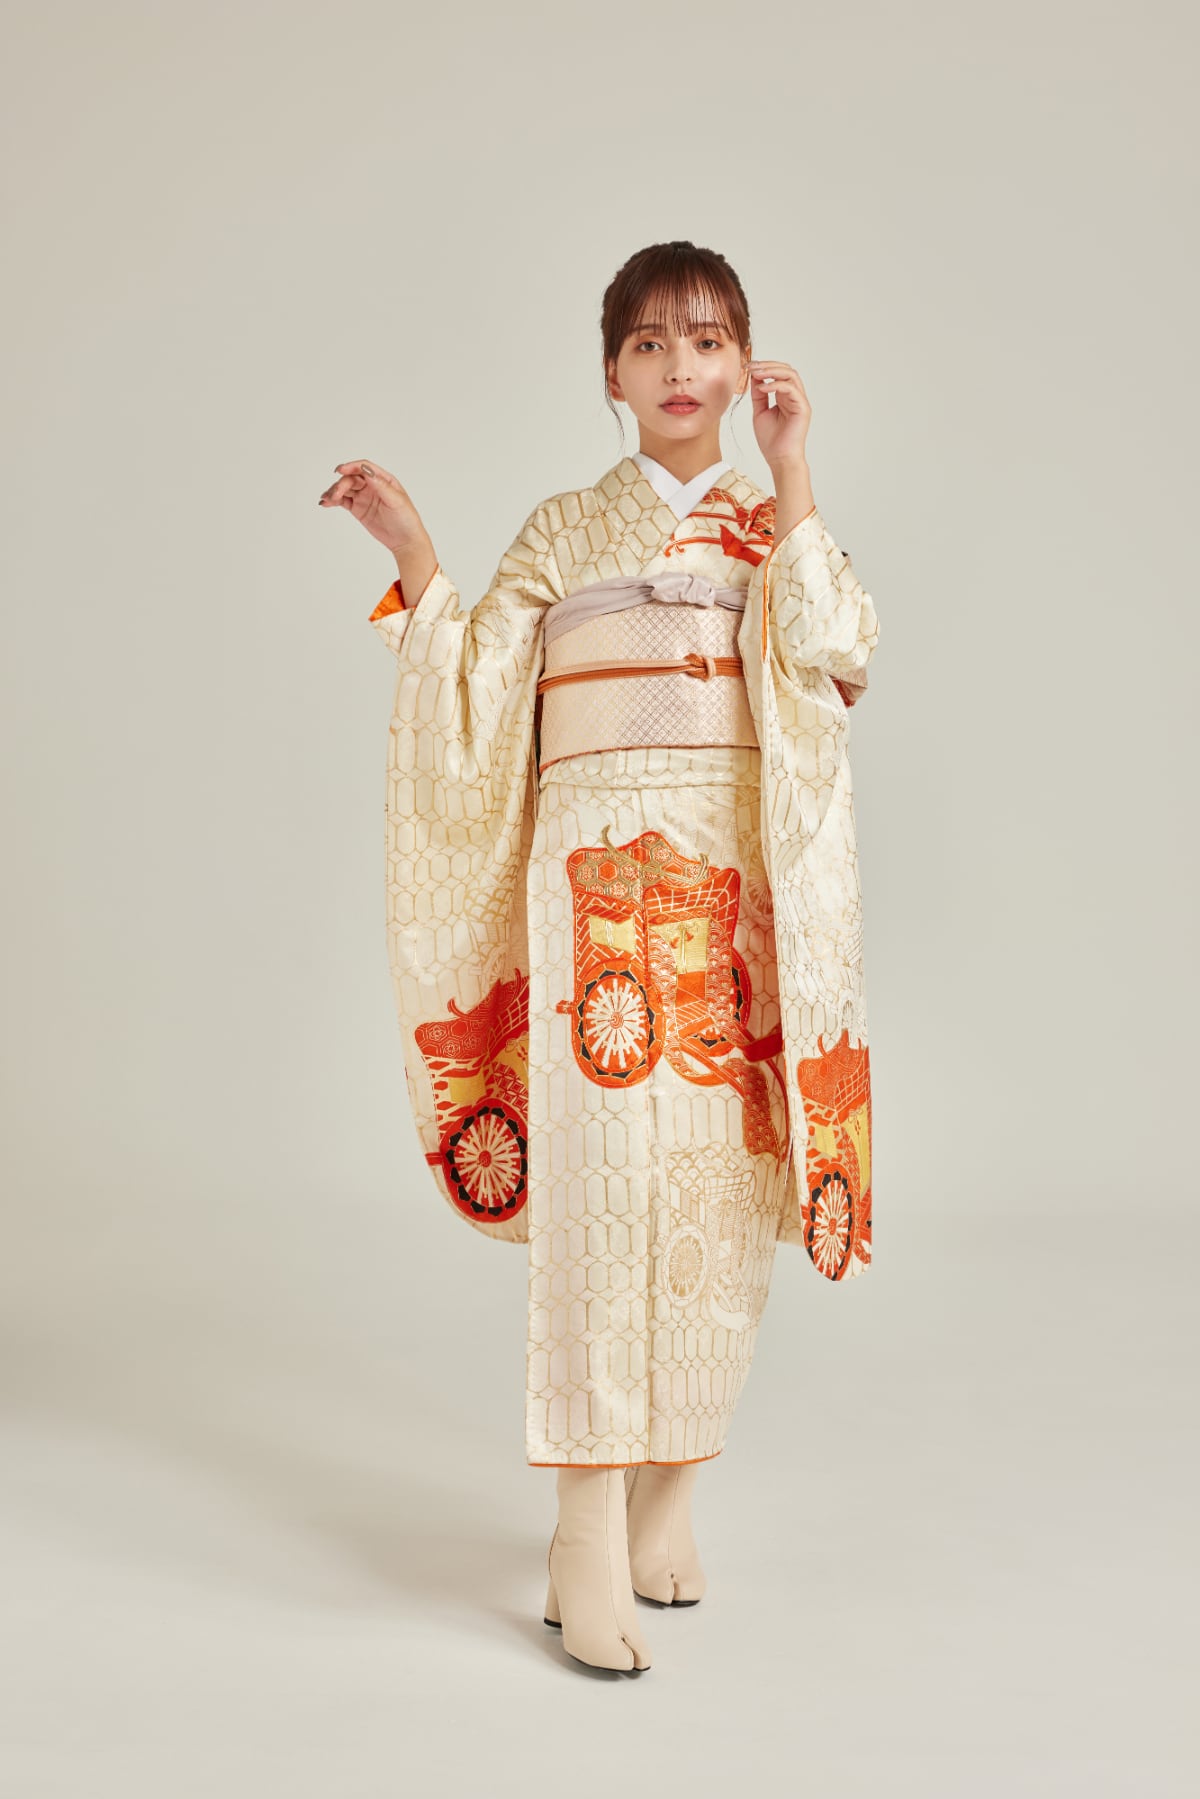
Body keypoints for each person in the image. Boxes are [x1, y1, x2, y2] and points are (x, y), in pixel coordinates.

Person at [319, 240, 879, 1675]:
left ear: (743, 363)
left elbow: (837, 654)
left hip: (728, 891)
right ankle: (583, 1524)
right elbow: (472, 690)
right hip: (594, 892)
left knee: (719, 1198)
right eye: (649, 343)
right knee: (603, 1197)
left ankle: (668, 1494)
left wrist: (794, 472)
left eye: (707, 339)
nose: (680, 367)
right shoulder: (564, 530)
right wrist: (418, 560)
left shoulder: (767, 527)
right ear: (611, 375)